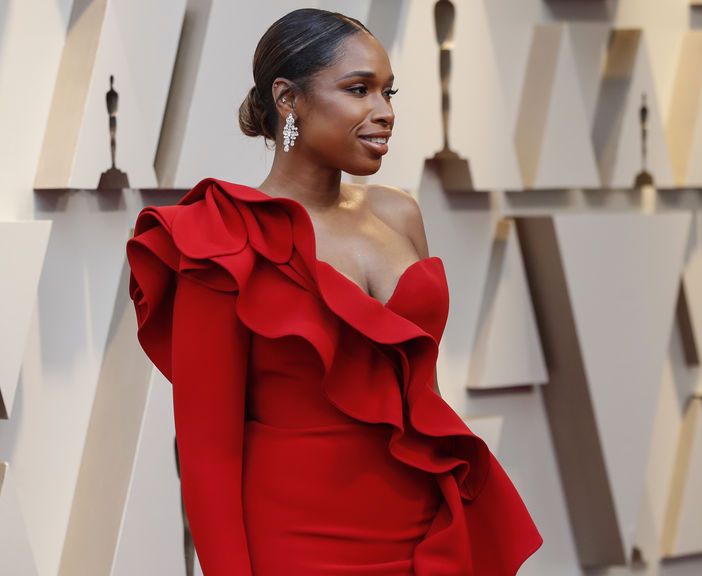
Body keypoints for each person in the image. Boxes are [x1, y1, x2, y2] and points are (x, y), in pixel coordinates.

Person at [126, 8, 542, 575]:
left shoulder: (399, 214)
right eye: (358, 90)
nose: (385, 113)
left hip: (421, 532)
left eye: (388, 92)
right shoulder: (220, 238)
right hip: (298, 546)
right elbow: (208, 453)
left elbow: (425, 395)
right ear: (288, 99)